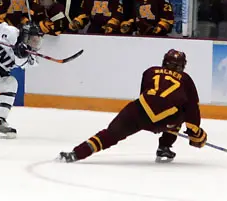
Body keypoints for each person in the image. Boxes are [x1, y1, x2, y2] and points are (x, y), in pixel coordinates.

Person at [58, 49, 207, 163]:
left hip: (139, 111)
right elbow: (192, 108)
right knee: (178, 111)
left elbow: (146, 94)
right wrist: (196, 134)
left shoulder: (150, 71)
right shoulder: (186, 80)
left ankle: (76, 153)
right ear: (182, 66)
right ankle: (164, 147)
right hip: (165, 121)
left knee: (110, 134)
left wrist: (148, 120)